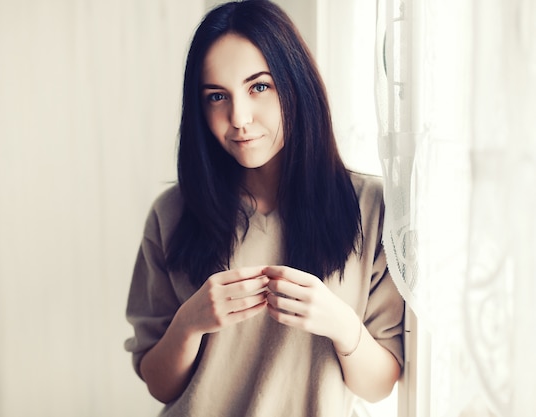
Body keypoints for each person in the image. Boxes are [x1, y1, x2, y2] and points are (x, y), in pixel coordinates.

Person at [125, 1, 404, 416]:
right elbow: (161, 385)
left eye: (259, 87)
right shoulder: (173, 214)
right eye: (217, 96)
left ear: (296, 85)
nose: (238, 117)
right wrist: (189, 323)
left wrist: (341, 324)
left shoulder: (371, 208)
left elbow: (380, 384)